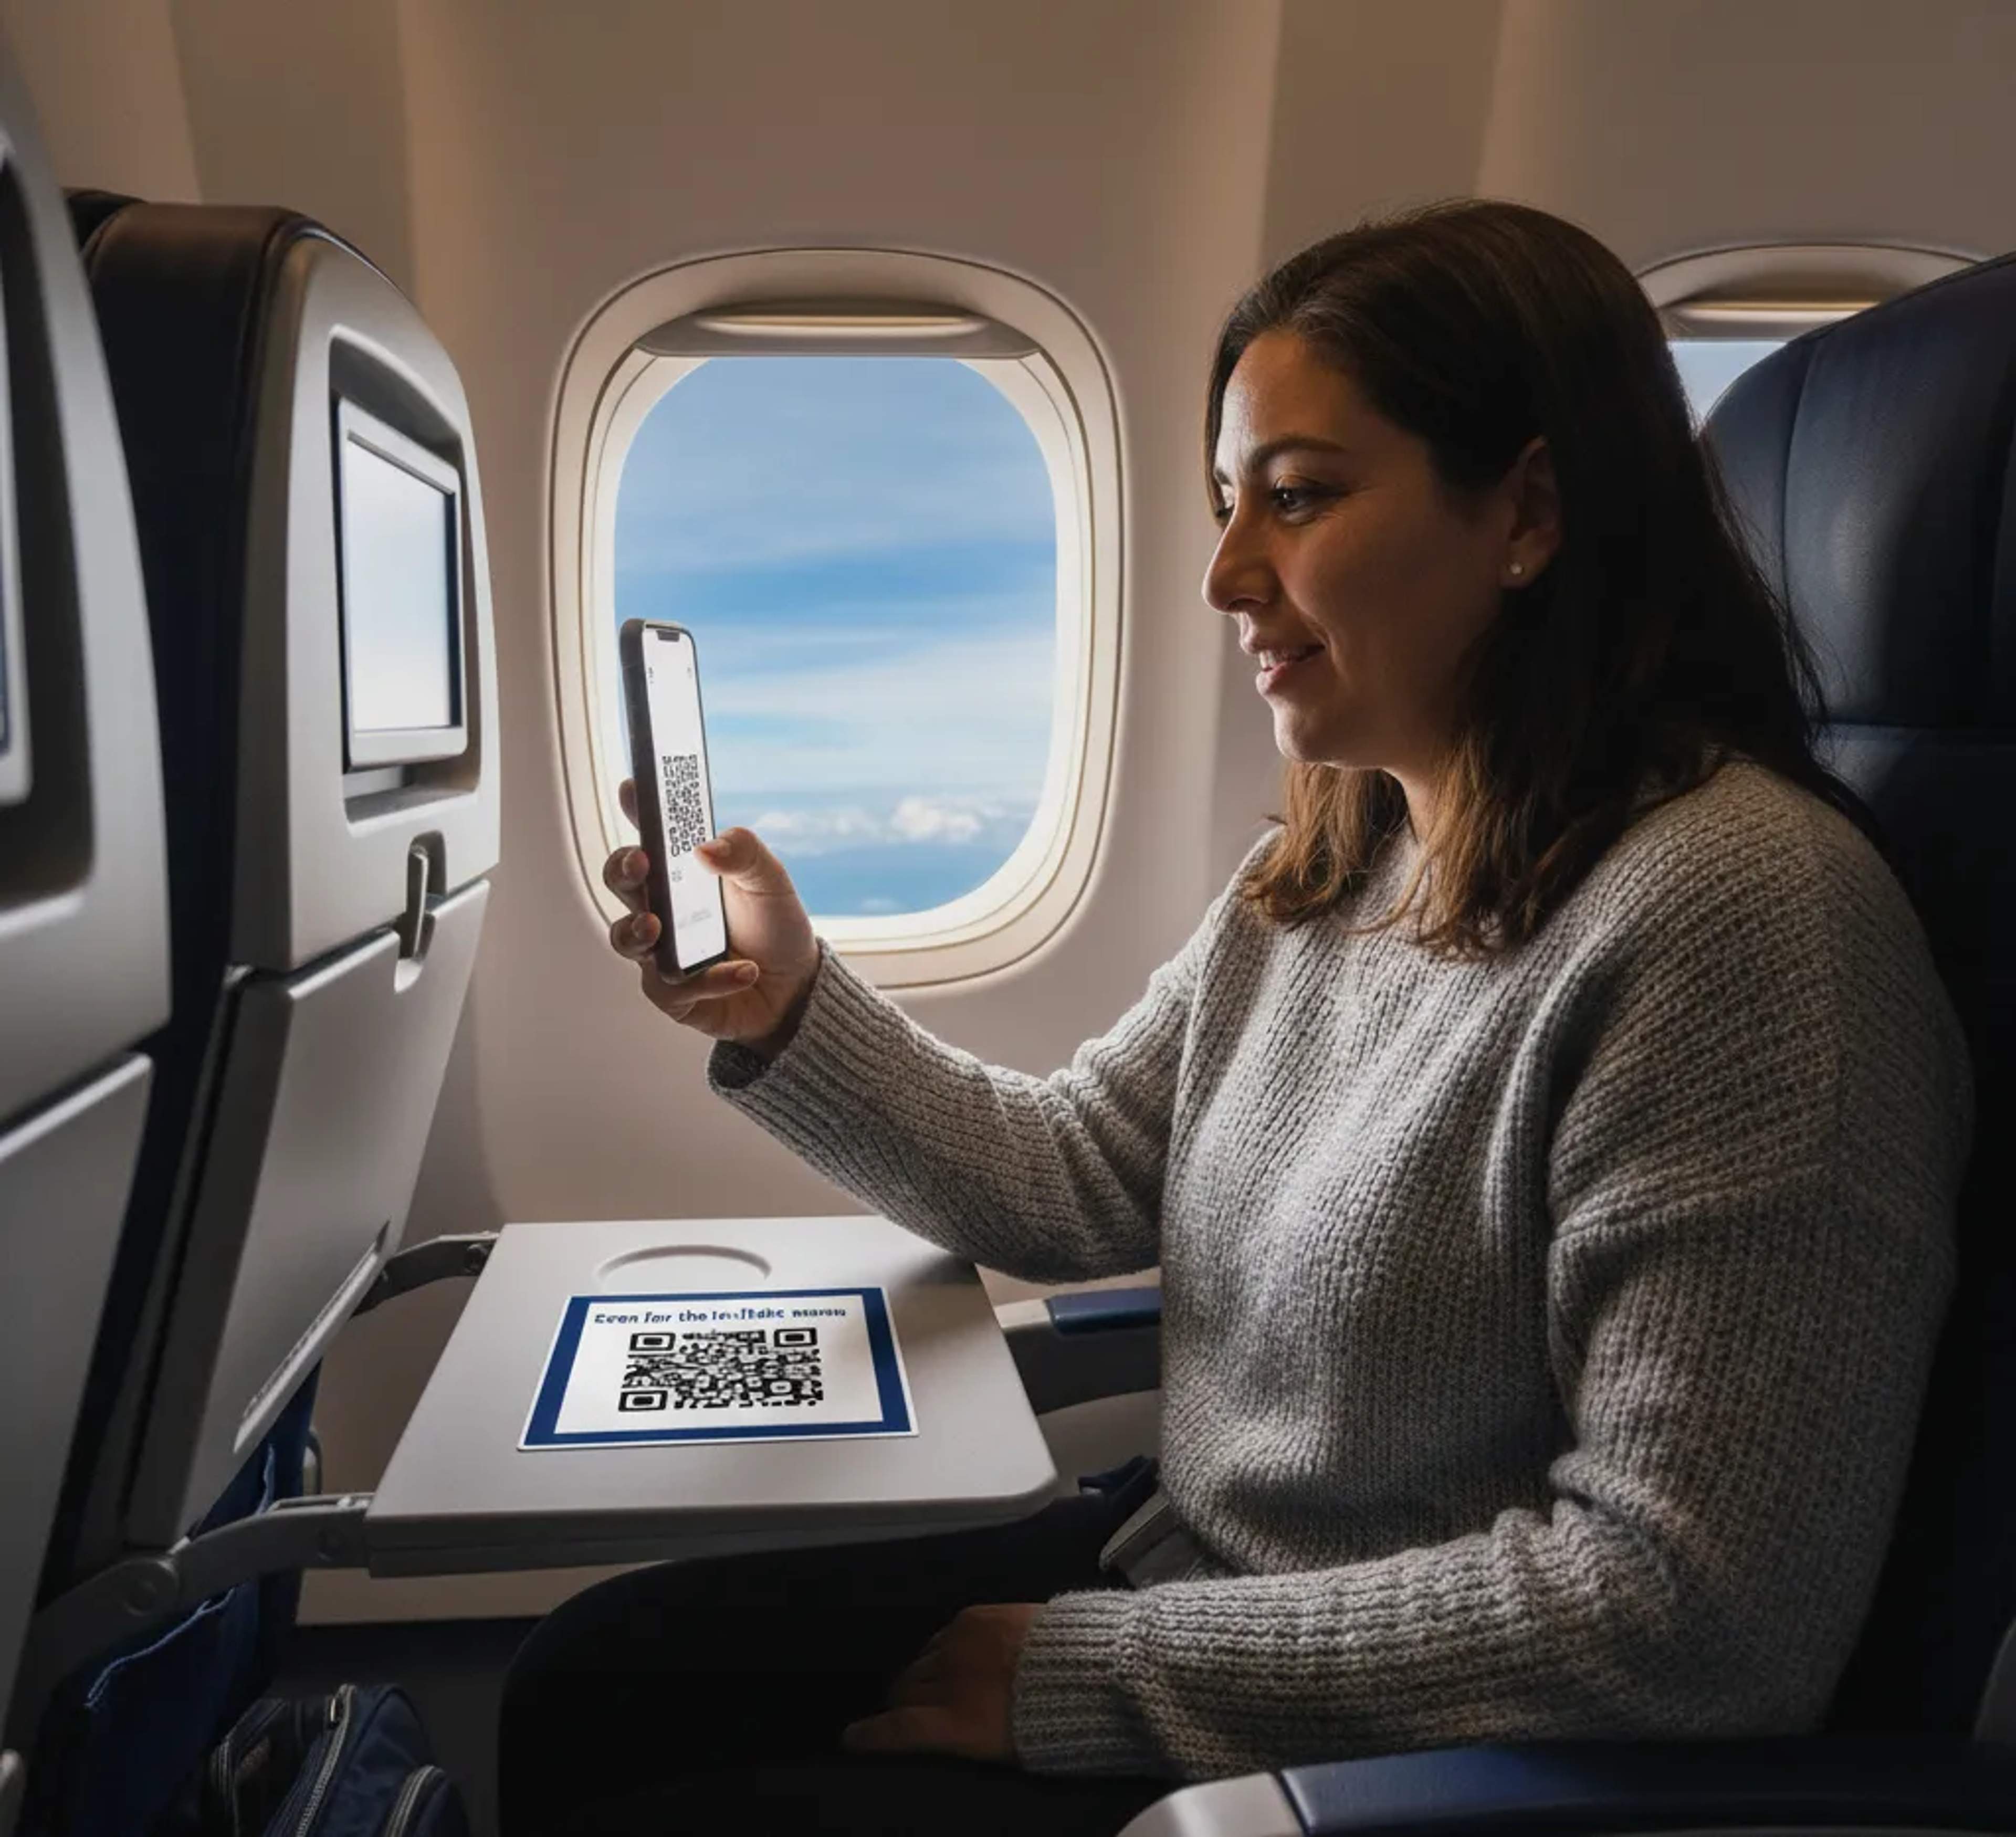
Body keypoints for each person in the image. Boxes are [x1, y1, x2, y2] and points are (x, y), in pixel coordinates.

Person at [499, 199, 1973, 1836]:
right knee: (586, 1681)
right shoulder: (1344, 857)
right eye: (1224, 502)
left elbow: (1694, 1615)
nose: (1221, 573)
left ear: (1530, 510)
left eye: (1298, 496)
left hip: (1370, 1751)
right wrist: (788, 998)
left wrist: (1097, 1675)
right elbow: (1065, 1175)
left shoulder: (1745, 925)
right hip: (1186, 1589)